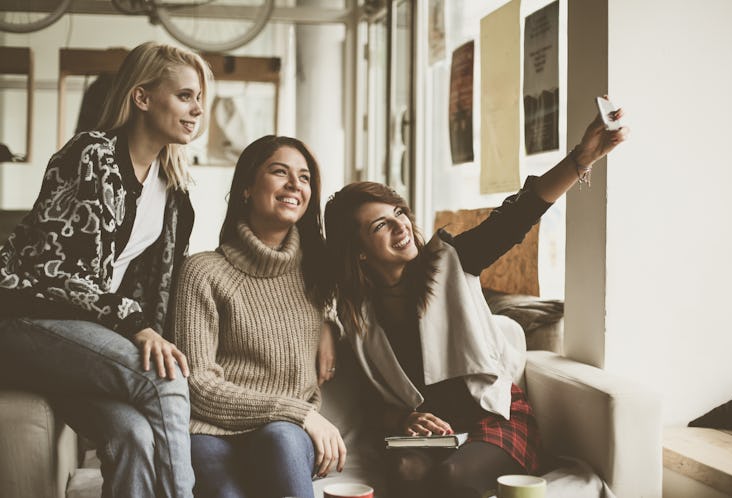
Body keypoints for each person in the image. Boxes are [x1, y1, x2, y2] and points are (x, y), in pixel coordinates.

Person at [324, 104, 628, 498]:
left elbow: (517, 215)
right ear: (358, 251)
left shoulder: (449, 261)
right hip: (434, 437)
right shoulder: (358, 315)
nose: (401, 225)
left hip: (495, 421)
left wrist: (580, 159)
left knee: (452, 478)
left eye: (399, 212)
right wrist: (404, 418)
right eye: (380, 224)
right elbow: (369, 400)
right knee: (405, 471)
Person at [0, 41, 213, 498]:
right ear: (142, 97)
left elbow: (158, 288)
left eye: (200, 99)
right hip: (26, 319)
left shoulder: (173, 190)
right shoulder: (92, 155)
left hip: (85, 336)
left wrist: (152, 329)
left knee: (132, 436)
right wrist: (134, 325)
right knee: (167, 379)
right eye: (185, 96)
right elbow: (54, 271)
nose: (197, 109)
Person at [171, 135, 346, 498]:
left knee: (281, 437)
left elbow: (366, 304)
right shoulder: (202, 272)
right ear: (247, 188)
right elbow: (198, 384)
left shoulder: (318, 273)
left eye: (304, 177)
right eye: (279, 172)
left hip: (286, 437)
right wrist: (300, 413)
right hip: (212, 429)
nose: (295, 184)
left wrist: (330, 323)